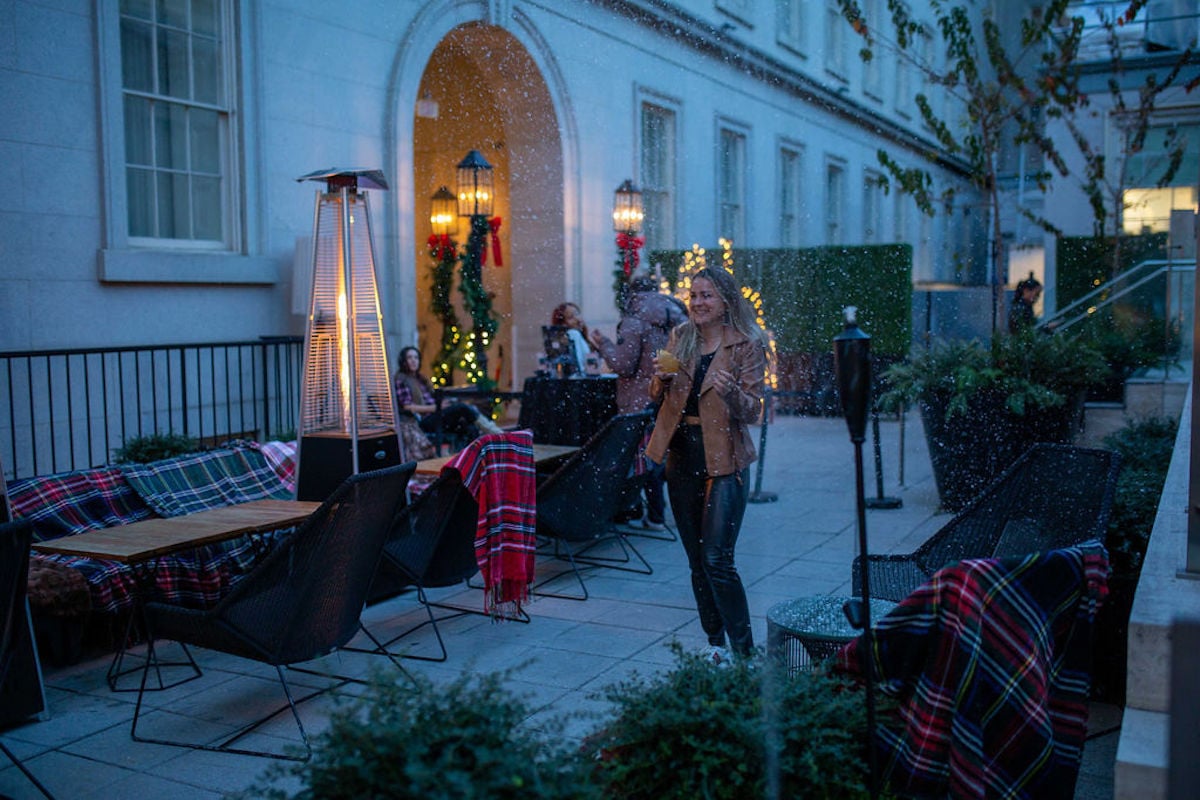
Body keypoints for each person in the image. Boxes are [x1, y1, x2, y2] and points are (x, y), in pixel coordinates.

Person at [645, 267, 767, 664]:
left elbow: (753, 412)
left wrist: (733, 394)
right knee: (697, 561)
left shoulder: (747, 344)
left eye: (707, 296)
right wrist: (660, 380)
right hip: (681, 456)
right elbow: (656, 393)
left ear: (726, 301)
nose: (697, 303)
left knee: (717, 559)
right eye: (694, 295)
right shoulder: (681, 337)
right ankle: (716, 648)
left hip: (725, 458)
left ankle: (745, 653)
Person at [590, 273, 687, 530]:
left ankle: (647, 513)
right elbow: (668, 359)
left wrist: (604, 345)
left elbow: (623, 364)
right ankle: (661, 512)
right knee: (659, 455)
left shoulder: (634, 321)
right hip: (666, 396)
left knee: (642, 458)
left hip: (638, 401)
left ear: (633, 294)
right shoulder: (673, 318)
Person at [392, 346, 502, 448]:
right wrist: (436, 407)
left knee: (468, 425)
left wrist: (445, 403)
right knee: (462, 408)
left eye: (416, 357)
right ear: (403, 360)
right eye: (409, 357)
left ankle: (475, 456)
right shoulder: (401, 379)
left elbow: (434, 397)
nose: (413, 360)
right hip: (423, 420)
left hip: (436, 413)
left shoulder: (421, 378)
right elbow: (408, 407)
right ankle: (496, 433)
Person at [550, 301, 593, 374]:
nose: (578, 319)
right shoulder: (573, 334)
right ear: (562, 323)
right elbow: (579, 365)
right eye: (570, 317)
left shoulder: (579, 336)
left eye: (577, 314)